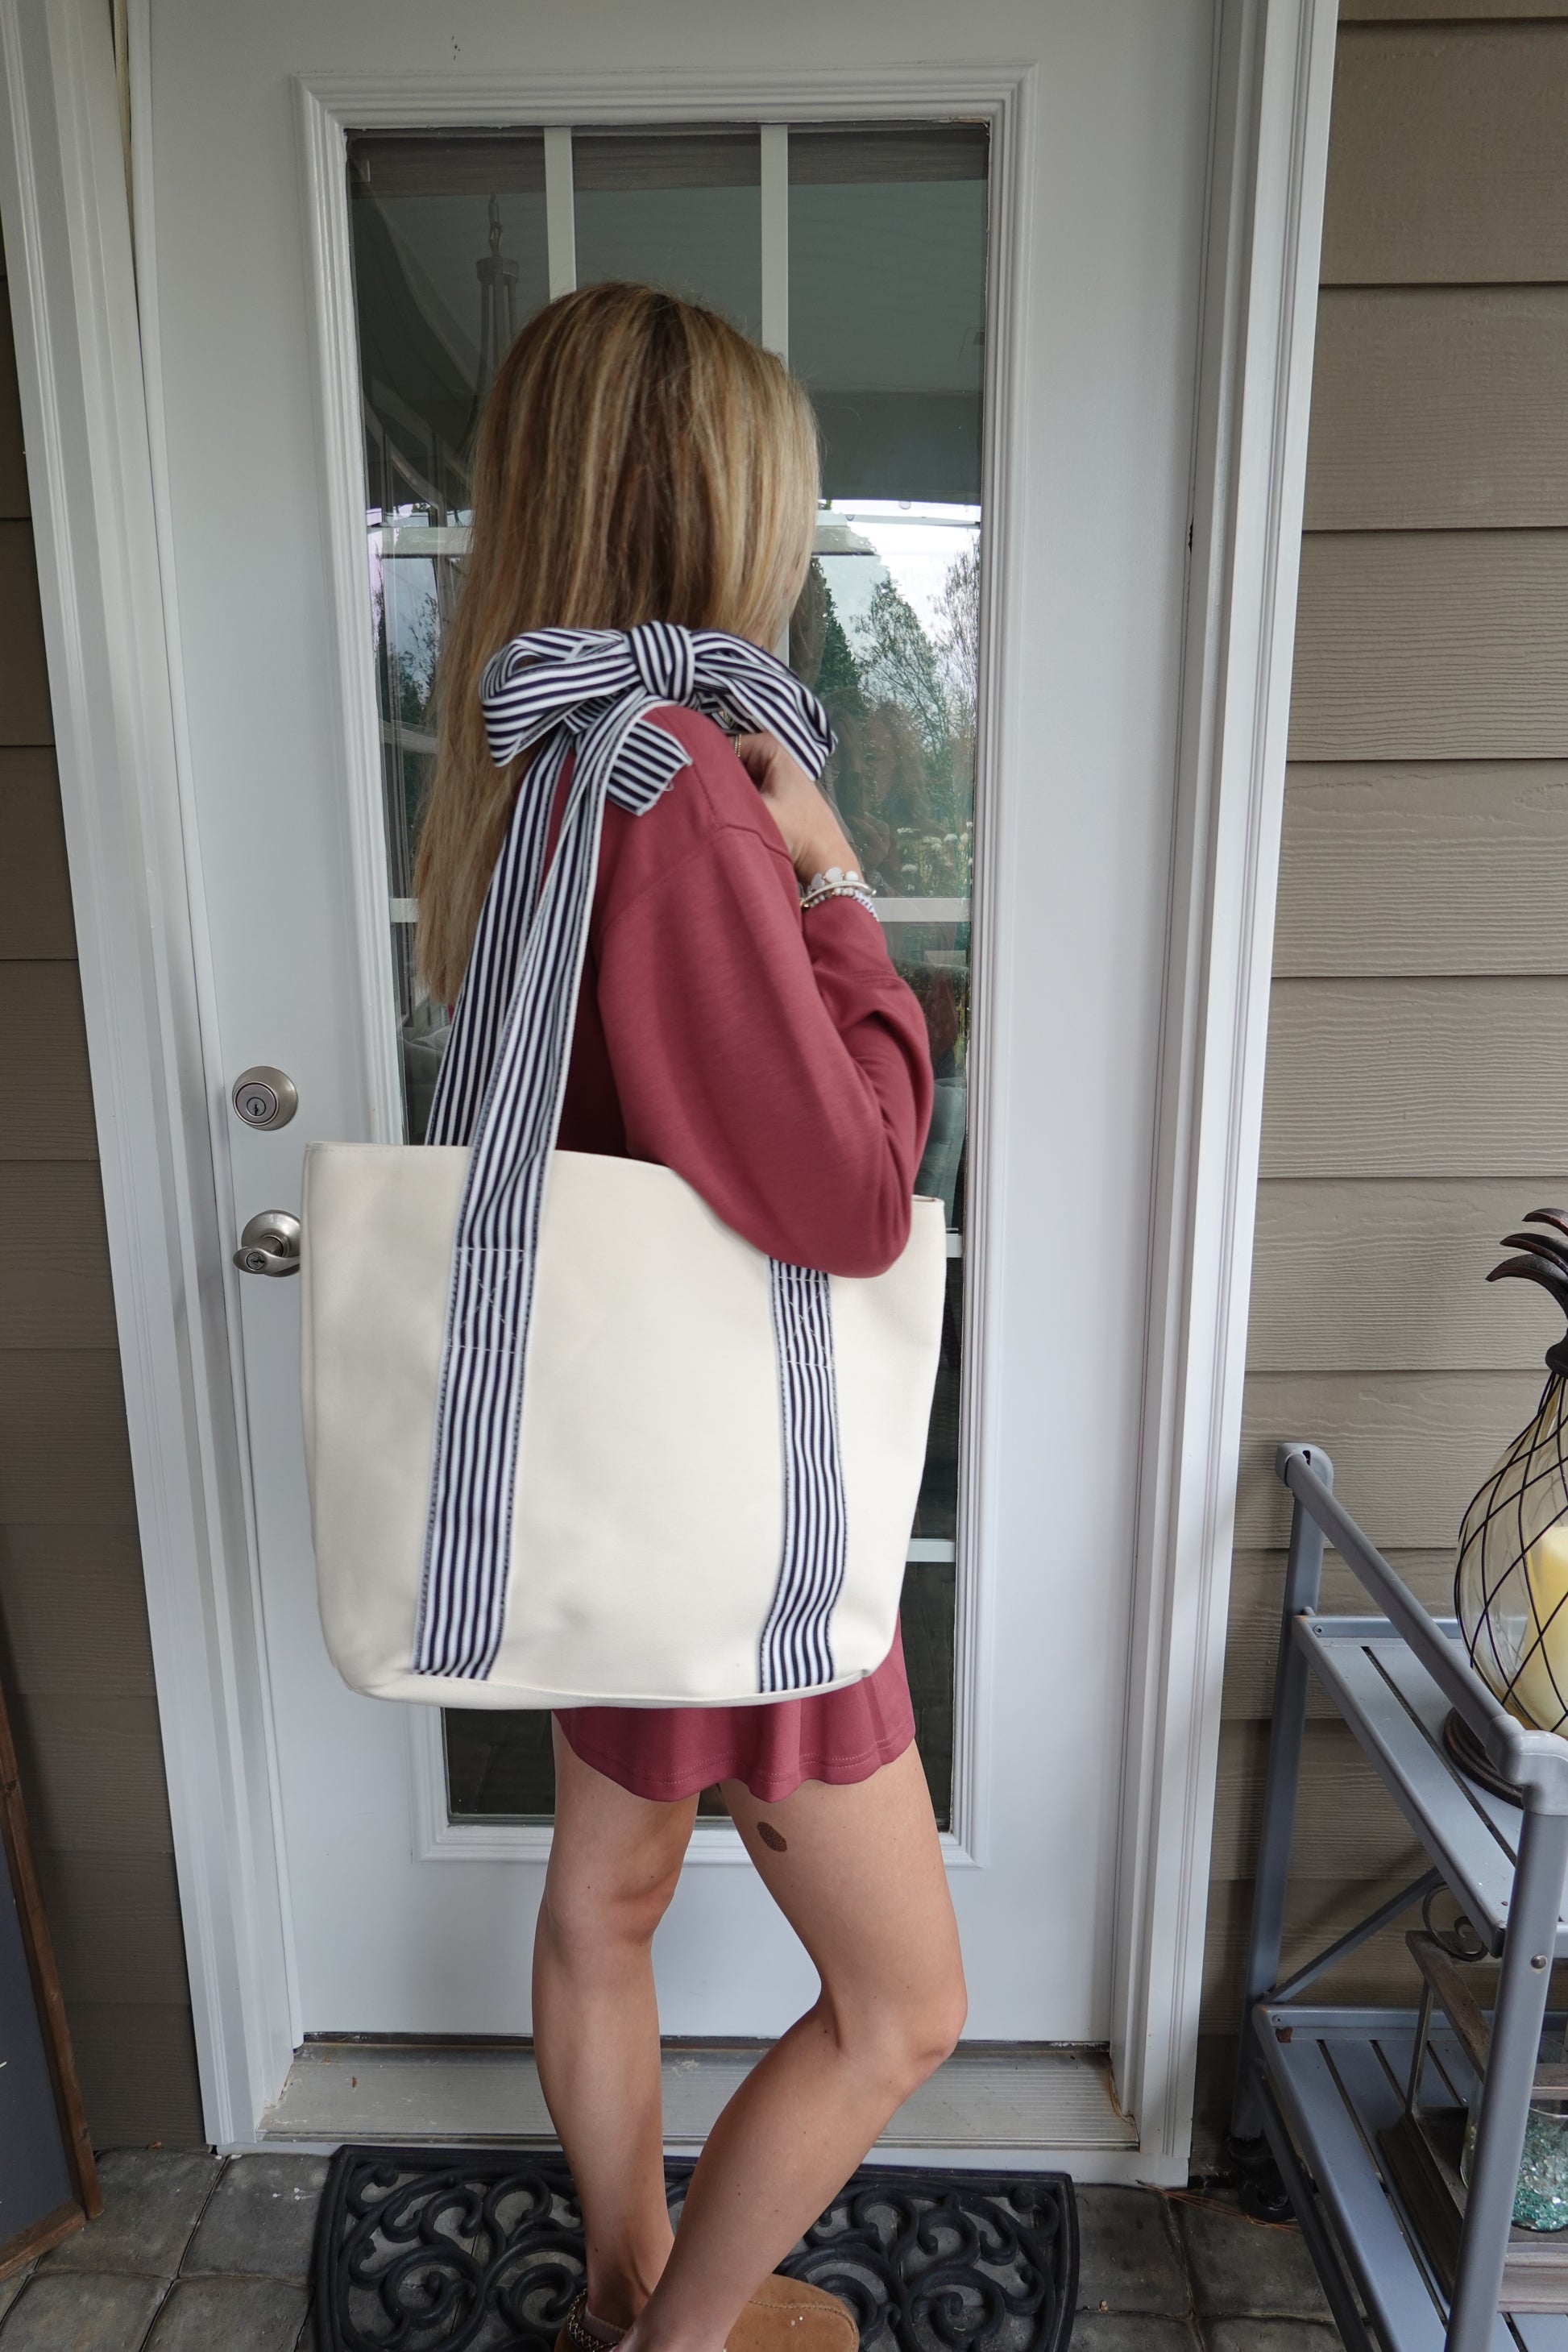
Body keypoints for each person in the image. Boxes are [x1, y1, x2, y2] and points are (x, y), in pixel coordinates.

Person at [415, 282, 968, 2352]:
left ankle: (627, 2286)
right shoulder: (674, 784)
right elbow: (844, 1195)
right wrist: (839, 897)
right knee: (908, 2002)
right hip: (745, 1503)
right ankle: (668, 2340)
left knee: (604, 1901)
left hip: (616, 1464)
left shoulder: (545, 765)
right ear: (712, 503)